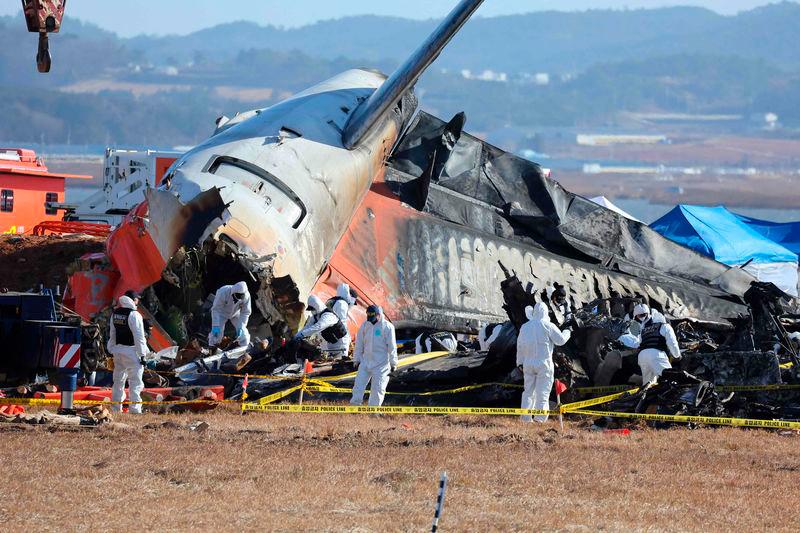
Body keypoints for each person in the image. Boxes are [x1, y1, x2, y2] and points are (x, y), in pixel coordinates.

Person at [516, 302, 571, 423]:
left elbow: (519, 346)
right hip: (544, 364)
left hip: (528, 364)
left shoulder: (525, 327)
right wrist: (568, 331)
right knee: (542, 393)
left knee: (528, 392)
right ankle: (540, 420)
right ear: (546, 312)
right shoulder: (548, 325)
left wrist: (519, 362)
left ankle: (525, 420)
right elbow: (560, 340)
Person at [618, 303, 681, 385]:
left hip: (642, 357)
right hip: (657, 355)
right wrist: (677, 355)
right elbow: (672, 342)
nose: (642, 318)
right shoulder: (664, 326)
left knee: (648, 384)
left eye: (643, 315)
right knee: (670, 377)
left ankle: (648, 396)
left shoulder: (643, 331)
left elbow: (638, 343)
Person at [107, 290, 148, 414]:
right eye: (137, 299)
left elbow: (112, 334)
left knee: (118, 381)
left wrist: (112, 349)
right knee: (135, 382)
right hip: (131, 352)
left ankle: (115, 409)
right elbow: (139, 337)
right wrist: (143, 355)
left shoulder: (115, 314)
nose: (138, 301)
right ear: (133, 300)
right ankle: (135, 410)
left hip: (118, 351)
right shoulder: (134, 315)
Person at [350, 305, 398, 407]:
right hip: (366, 362)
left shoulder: (388, 327)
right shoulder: (365, 325)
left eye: (373, 317)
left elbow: (392, 347)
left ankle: (374, 411)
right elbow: (359, 344)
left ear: (379, 315)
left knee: (378, 388)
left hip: (381, 364)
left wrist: (394, 363)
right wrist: (356, 359)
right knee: (358, 386)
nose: (370, 320)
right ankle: (354, 407)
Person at [294, 294, 349, 359]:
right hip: (330, 343)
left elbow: (318, 327)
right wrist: (296, 336)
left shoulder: (328, 315)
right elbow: (307, 327)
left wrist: (302, 334)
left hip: (341, 344)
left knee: (339, 362)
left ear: (317, 306)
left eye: (312, 309)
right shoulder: (315, 316)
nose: (312, 311)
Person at [208, 281, 252, 348]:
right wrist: (215, 326)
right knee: (216, 334)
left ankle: (244, 348)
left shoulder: (247, 296)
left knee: (243, 334)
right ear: (233, 293)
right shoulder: (223, 291)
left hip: (235, 314)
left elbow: (245, 312)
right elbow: (216, 310)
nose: (237, 300)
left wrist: (241, 327)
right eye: (236, 297)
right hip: (221, 314)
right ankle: (212, 347)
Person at [324, 283, 355, 359]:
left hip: (329, 337)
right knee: (341, 360)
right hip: (340, 339)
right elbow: (342, 323)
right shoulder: (342, 303)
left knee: (331, 358)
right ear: (347, 292)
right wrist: (348, 338)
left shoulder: (330, 301)